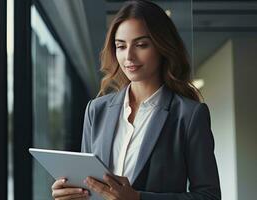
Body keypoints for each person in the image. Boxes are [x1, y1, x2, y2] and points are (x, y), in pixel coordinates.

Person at [51, 0, 221, 199]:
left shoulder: (189, 115)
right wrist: (71, 192)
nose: (129, 56)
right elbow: (89, 186)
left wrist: (138, 198)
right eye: (121, 46)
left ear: (162, 46)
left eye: (141, 45)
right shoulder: (96, 110)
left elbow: (209, 196)